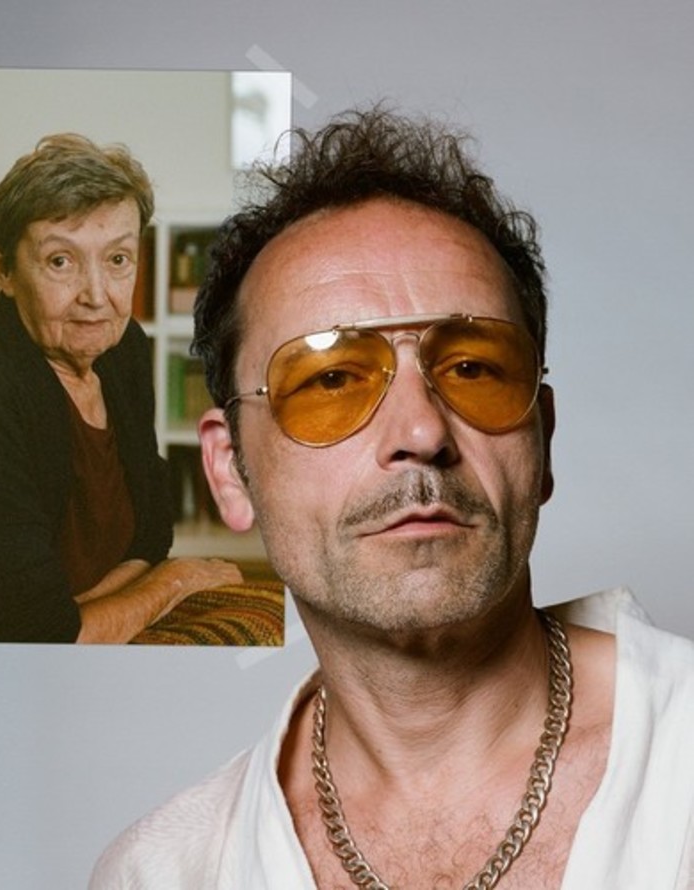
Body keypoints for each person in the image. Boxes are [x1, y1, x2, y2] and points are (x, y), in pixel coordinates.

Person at [90, 109, 694, 887]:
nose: (420, 431)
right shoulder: (163, 873)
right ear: (230, 472)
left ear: (542, 440)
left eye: (473, 369)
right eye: (332, 380)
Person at [0, 134, 240, 644]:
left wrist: (83, 609)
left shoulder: (122, 348)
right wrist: (174, 581)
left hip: (57, 624)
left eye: (118, 259)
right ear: (5, 271)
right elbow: (39, 637)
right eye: (61, 261)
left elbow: (151, 529)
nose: (96, 296)